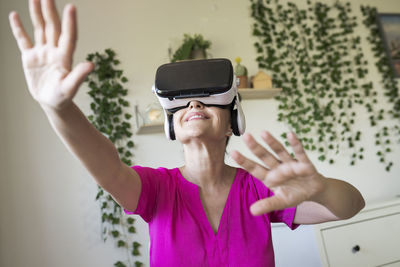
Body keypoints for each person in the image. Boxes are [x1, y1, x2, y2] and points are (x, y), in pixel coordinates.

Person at [9, 0, 365, 266]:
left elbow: (350, 207)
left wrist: (321, 188)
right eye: (183, 105)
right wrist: (58, 108)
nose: (194, 105)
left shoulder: (256, 188)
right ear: (171, 124)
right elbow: (107, 165)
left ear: (232, 122)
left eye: (207, 102)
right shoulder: (156, 189)